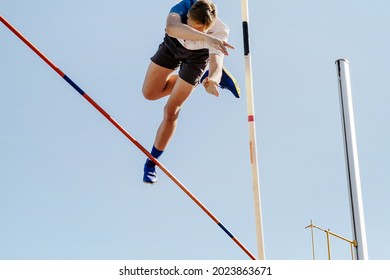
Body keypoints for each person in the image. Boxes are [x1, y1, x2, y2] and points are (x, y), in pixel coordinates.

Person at [142, 0, 240, 184]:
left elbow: (217, 64)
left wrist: (214, 80)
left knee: (171, 111)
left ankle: (151, 162)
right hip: (172, 46)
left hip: (197, 59)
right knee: (150, 94)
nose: (194, 31)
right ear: (188, 16)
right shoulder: (185, 7)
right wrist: (205, 38)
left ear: (209, 26)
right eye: (191, 25)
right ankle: (197, 78)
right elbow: (172, 28)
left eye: (200, 29)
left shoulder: (219, 31)